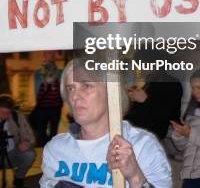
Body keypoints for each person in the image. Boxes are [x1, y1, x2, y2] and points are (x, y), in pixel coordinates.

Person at [40, 60, 172, 188]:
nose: (75, 96)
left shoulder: (142, 146)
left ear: (112, 92)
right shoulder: (56, 149)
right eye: (71, 88)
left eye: (86, 86)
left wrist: (135, 177)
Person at [125, 70, 183, 140]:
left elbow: (171, 116)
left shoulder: (171, 83)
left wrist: (145, 100)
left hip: (149, 135)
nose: (140, 69)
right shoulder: (150, 81)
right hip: (134, 130)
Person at [31, 50, 64, 146]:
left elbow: (63, 89)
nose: (52, 55)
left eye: (54, 53)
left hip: (56, 107)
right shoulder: (38, 72)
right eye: (49, 53)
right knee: (41, 134)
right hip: (42, 107)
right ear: (44, 55)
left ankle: (51, 153)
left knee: (53, 134)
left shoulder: (60, 72)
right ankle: (44, 150)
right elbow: (36, 90)